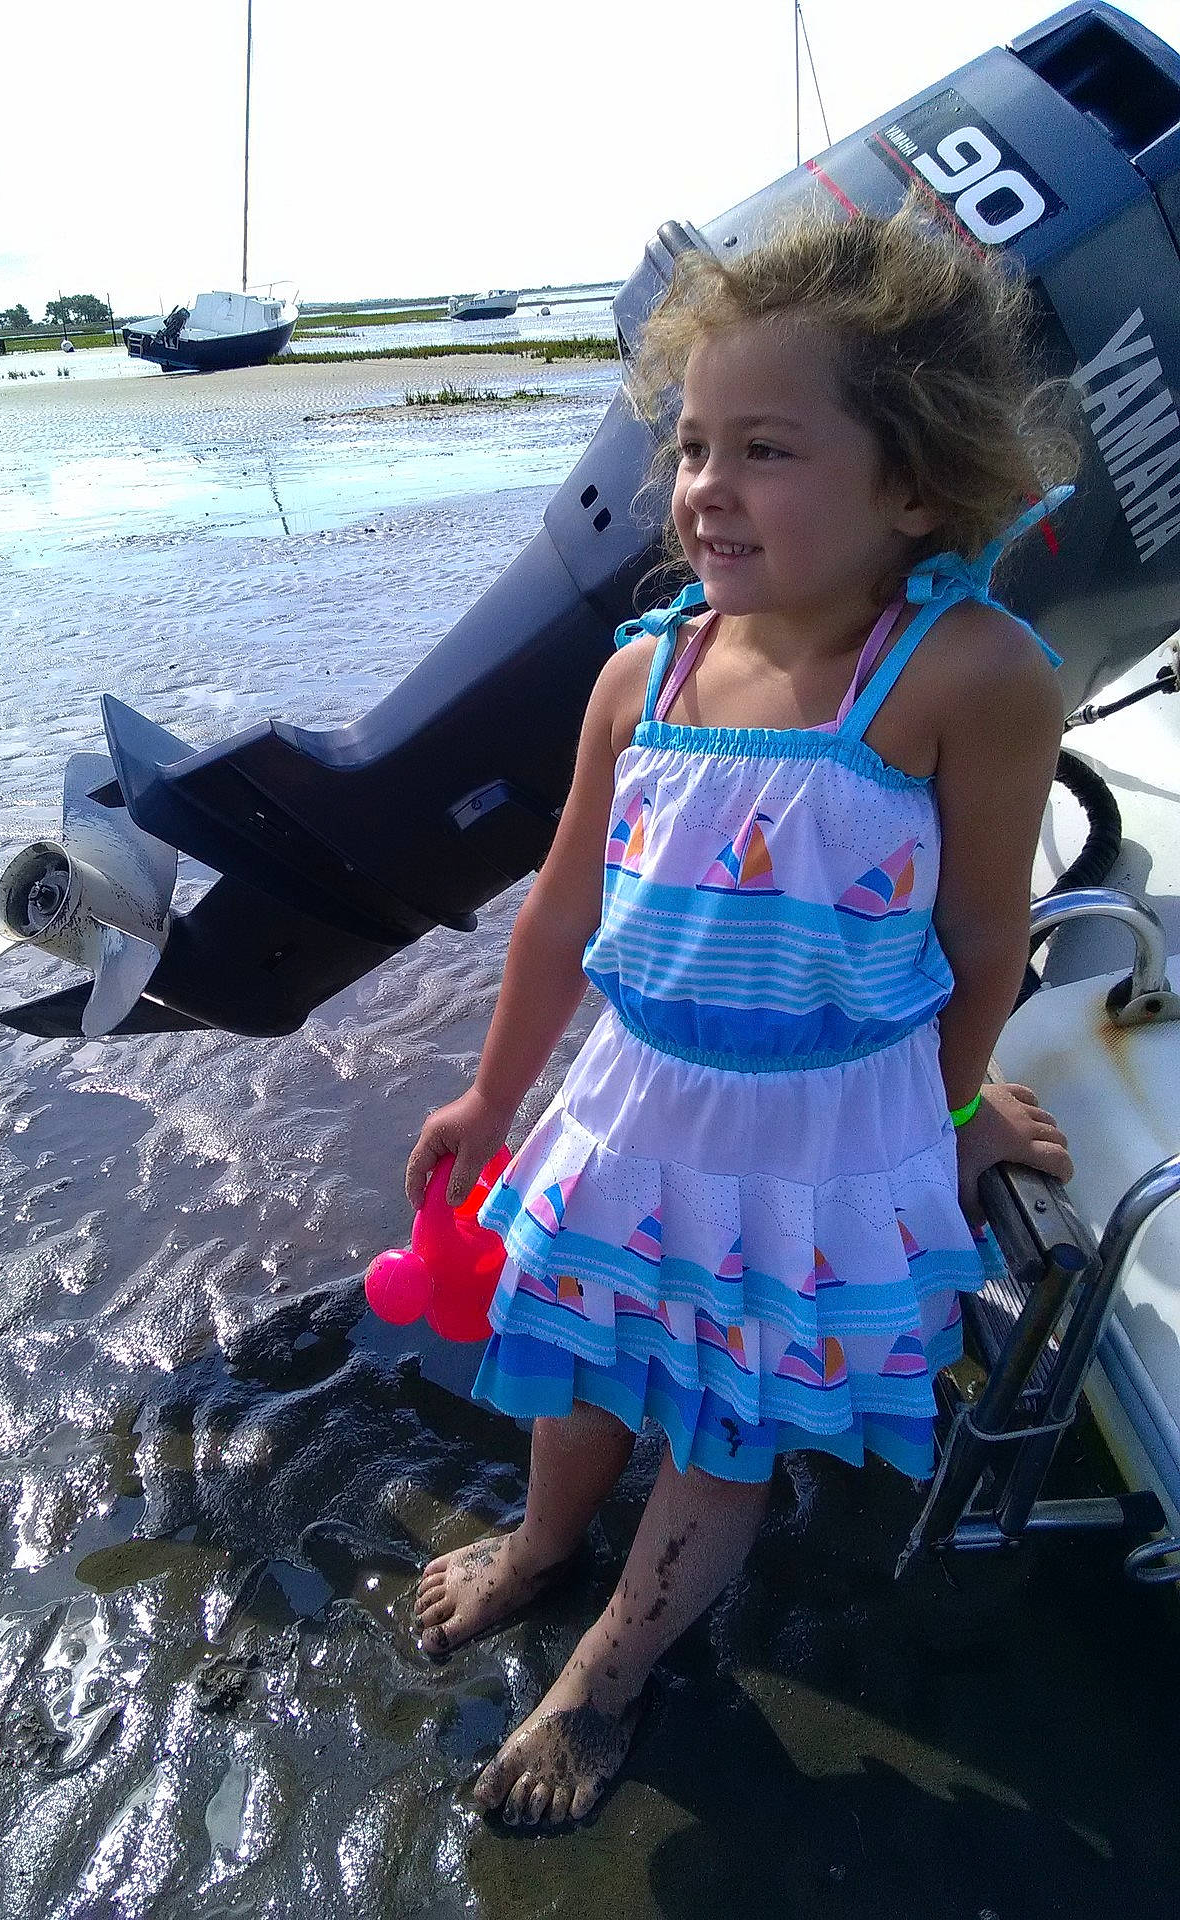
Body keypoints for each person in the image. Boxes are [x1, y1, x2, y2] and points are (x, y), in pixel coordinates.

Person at [403, 202, 1078, 1828]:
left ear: (914, 480)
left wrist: (944, 1115)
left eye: (764, 448)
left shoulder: (965, 675)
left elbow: (985, 935)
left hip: (821, 1129)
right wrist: (494, 1099)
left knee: (729, 1407)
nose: (705, 487)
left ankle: (609, 1673)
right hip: (634, 1095)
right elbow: (566, 909)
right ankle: (548, 1537)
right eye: (692, 445)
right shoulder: (643, 674)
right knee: (577, 1341)